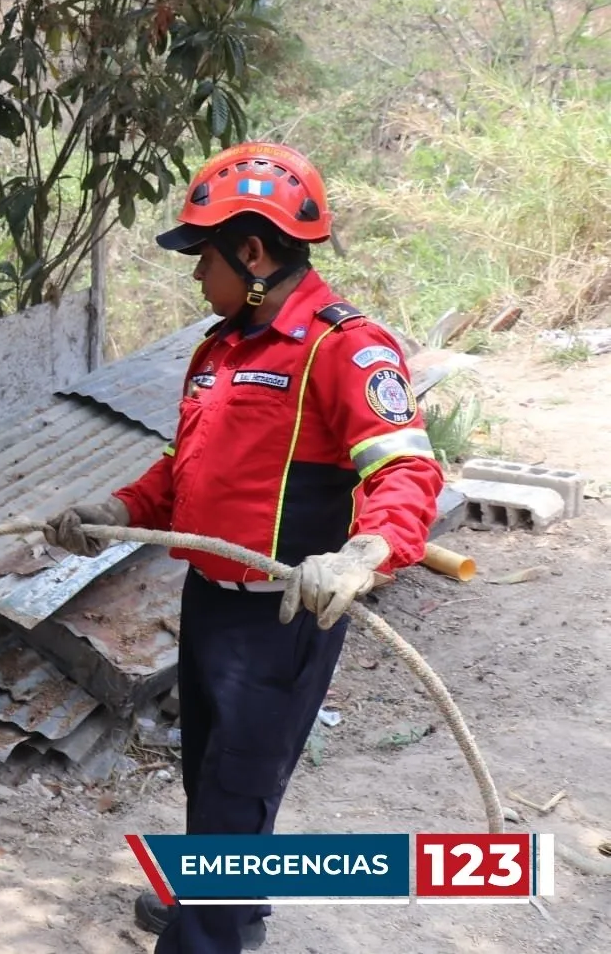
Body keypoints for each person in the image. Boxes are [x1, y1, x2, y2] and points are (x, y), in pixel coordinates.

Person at [41, 143, 443, 954]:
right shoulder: (220, 349)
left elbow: (405, 467)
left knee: (237, 787)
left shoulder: (346, 349)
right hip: (212, 604)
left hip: (283, 616)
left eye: (204, 257)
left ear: (253, 253)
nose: (197, 276)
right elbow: (188, 468)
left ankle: (208, 931)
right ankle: (228, 902)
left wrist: (366, 553)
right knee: (213, 773)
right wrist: (115, 507)